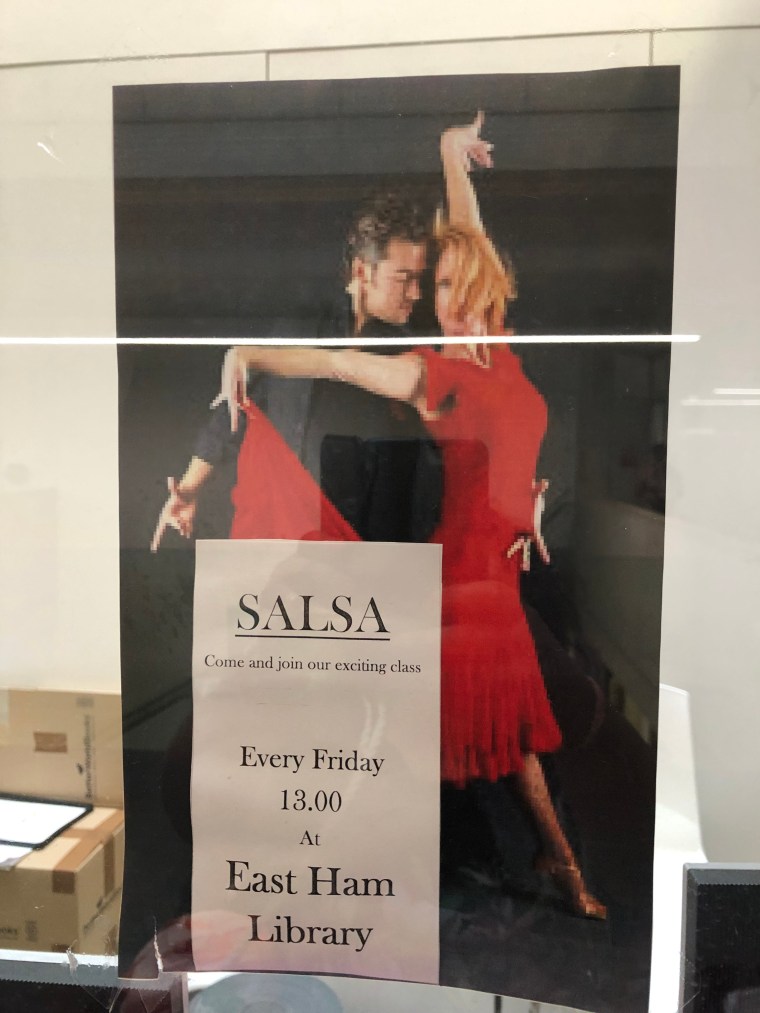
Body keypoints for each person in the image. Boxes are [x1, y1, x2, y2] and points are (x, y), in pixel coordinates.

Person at [212, 114, 606, 920]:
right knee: (428, 734)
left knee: (509, 735)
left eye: (459, 287)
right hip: (459, 585)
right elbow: (337, 363)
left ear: (485, 285)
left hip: (497, 578)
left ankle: (551, 857)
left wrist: (449, 154)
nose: (449, 304)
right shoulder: (433, 375)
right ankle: (326, 862)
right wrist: (248, 354)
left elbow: (468, 233)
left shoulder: (501, 350)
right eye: (438, 291)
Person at [152, 190, 439, 550]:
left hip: (367, 551)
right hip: (285, 541)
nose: (415, 293)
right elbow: (234, 409)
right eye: (403, 278)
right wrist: (188, 489)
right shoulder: (301, 326)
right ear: (362, 272)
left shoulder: (413, 354)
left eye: (419, 279)